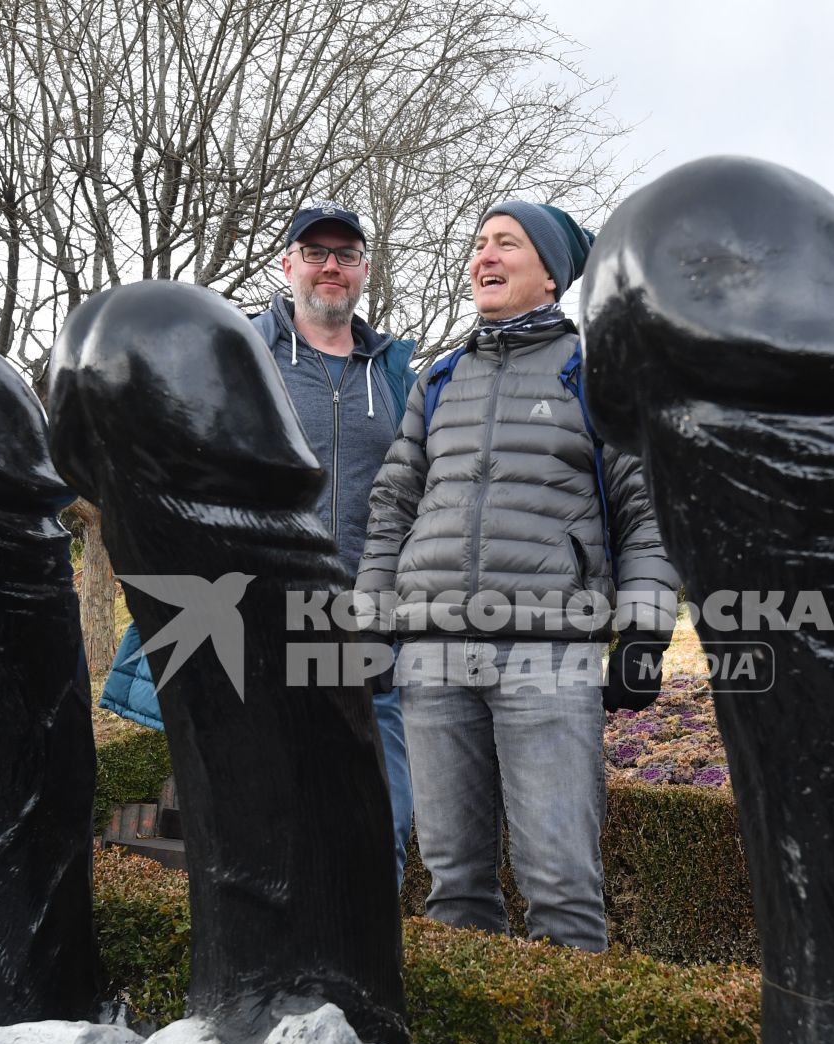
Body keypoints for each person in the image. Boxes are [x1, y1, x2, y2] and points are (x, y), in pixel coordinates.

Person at [358, 201, 679, 952]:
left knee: (561, 888)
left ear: (550, 276)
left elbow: (648, 510)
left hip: (548, 653)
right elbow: (392, 503)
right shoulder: (436, 379)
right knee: (454, 885)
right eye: (478, 244)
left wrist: (644, 631)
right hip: (432, 657)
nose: (484, 256)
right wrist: (371, 617)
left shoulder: (597, 374)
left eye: (506, 243)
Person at [100, 201, 419, 874]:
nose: (331, 267)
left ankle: (368, 972)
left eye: (346, 254)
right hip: (262, 629)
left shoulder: (397, 376)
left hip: (368, 630)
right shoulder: (236, 354)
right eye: (315, 252)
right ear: (288, 264)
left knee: (380, 829)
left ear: (364, 270)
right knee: (266, 831)